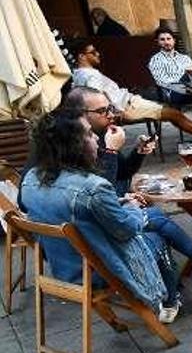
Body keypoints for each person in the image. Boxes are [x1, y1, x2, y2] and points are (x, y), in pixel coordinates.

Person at [60, 87, 192, 299]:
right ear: (79, 115)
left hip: (98, 221)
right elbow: (98, 192)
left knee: (154, 215)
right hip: (94, 238)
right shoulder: (74, 148)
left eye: (110, 108)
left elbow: (122, 173)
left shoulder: (96, 137)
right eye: (102, 111)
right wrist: (110, 153)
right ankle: (173, 292)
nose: (111, 114)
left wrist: (137, 153)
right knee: (154, 221)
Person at [19, 110, 169, 315]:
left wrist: (118, 201)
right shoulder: (92, 187)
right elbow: (126, 229)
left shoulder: (31, 178)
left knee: (158, 220)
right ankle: (168, 301)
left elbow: (73, 208)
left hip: (64, 270)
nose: (97, 137)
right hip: (100, 270)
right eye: (90, 134)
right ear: (74, 146)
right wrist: (134, 208)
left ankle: (184, 283)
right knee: (158, 236)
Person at [66, 38, 192, 138]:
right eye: (93, 52)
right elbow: (98, 97)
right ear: (81, 56)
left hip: (129, 100)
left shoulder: (78, 74)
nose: (98, 54)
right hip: (127, 106)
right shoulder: (89, 76)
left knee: (172, 111)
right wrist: (116, 112)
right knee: (174, 114)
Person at [147, 28, 192, 107]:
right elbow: (162, 81)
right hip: (173, 92)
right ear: (158, 42)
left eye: (169, 39)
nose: (166, 42)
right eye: (162, 40)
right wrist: (182, 83)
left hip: (191, 89)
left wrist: (191, 84)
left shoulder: (184, 58)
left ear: (174, 40)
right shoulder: (155, 60)